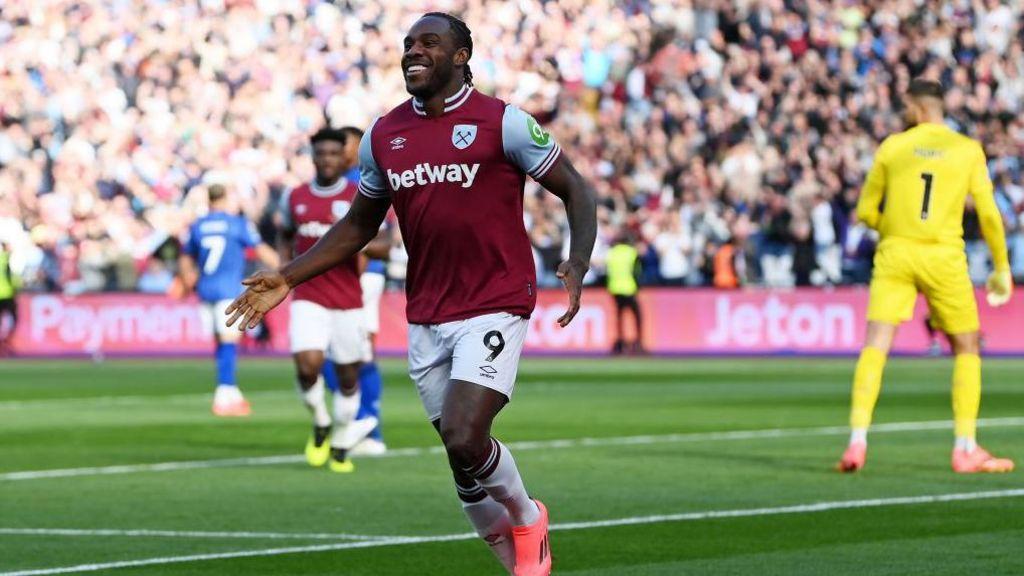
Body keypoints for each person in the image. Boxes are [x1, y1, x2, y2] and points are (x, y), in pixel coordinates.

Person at [226, 13, 596, 576]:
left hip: (495, 299)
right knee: (460, 460)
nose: (413, 52)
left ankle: (527, 517)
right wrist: (290, 275)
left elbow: (577, 189)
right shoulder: (383, 136)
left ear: (461, 56)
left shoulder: (505, 123)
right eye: (408, 45)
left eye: (429, 43)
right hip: (426, 310)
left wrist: (578, 258)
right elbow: (358, 226)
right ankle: (515, 555)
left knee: (464, 434)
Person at [838, 79, 1015, 474]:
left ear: (917, 109)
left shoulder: (892, 147)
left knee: (875, 346)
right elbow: (988, 214)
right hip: (943, 255)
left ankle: (857, 442)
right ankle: (965, 447)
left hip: (895, 253)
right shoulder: (966, 150)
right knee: (967, 347)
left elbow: (866, 211)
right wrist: (1001, 267)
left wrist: (897, 227)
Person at [278, 127, 384, 473]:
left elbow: (385, 243)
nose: (326, 160)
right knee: (307, 365)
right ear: (312, 157)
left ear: (344, 157)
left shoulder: (359, 195)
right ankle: (321, 420)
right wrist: (283, 273)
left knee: (347, 376)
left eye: (333, 154)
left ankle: (339, 438)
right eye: (320, 153)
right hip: (308, 295)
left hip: (348, 300)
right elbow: (284, 236)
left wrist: (346, 242)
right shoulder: (294, 197)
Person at [179, 184, 279, 417]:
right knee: (229, 341)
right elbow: (260, 248)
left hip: (205, 289)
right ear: (224, 199)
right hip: (229, 290)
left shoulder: (198, 225)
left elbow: (186, 257)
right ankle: (225, 393)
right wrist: (283, 269)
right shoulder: (236, 224)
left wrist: (186, 279)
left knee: (221, 341)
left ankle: (230, 391)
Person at [605, 233, 644, 354]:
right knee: (637, 316)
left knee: (619, 317)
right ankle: (637, 344)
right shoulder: (631, 252)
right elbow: (637, 271)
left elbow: (608, 272)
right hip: (629, 288)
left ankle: (621, 343)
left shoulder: (611, 253)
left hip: (615, 289)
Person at [0, 242, 18, 353]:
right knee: (12, 318)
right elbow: (13, 279)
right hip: (7, 294)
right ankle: (5, 341)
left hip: (5, 294)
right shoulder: (6, 259)